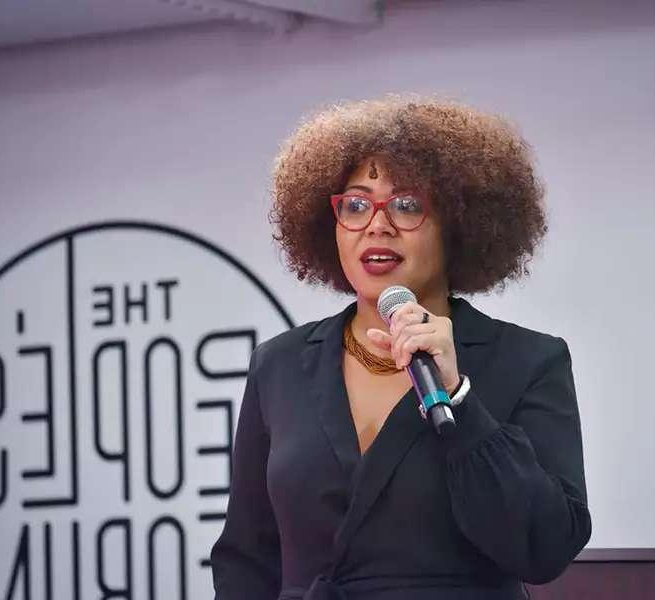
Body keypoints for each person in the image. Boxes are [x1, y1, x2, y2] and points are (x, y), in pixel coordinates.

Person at [210, 95, 591, 600]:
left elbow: (545, 547)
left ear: (459, 223)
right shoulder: (278, 365)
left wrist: (459, 399)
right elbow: (246, 557)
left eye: (408, 204)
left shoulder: (526, 361)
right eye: (355, 204)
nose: (378, 224)